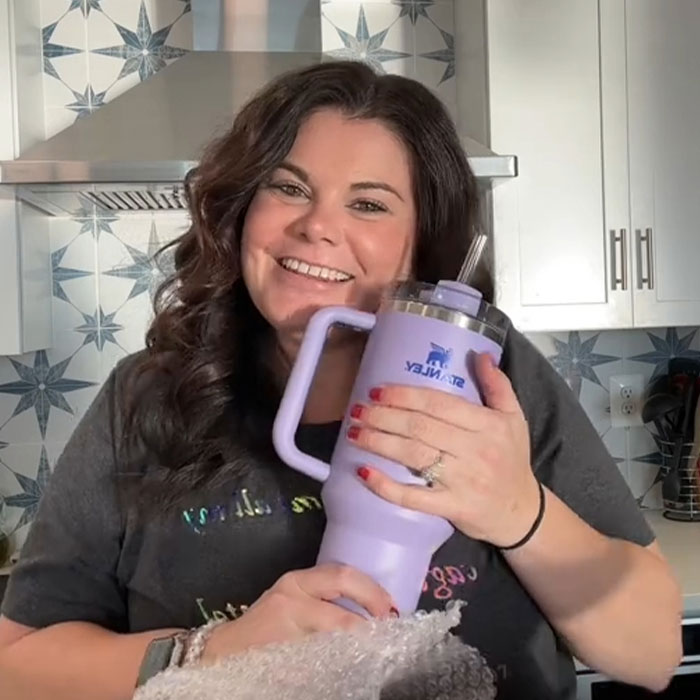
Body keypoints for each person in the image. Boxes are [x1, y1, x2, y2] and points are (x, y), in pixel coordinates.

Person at [0, 60, 682, 700]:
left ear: (422, 243)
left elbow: (652, 655)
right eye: (289, 188)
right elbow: (15, 666)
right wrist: (211, 652)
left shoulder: (491, 378)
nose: (318, 227)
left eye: (370, 204)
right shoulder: (143, 401)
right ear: (242, 211)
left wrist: (520, 512)